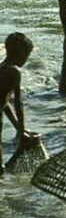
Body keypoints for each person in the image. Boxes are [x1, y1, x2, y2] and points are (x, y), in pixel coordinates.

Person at [1, 33, 35, 175]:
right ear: (21, 54)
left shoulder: (2, 66)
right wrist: (22, 131)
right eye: (26, 57)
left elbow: (4, 103)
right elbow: (18, 103)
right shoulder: (14, 71)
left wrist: (18, 128)